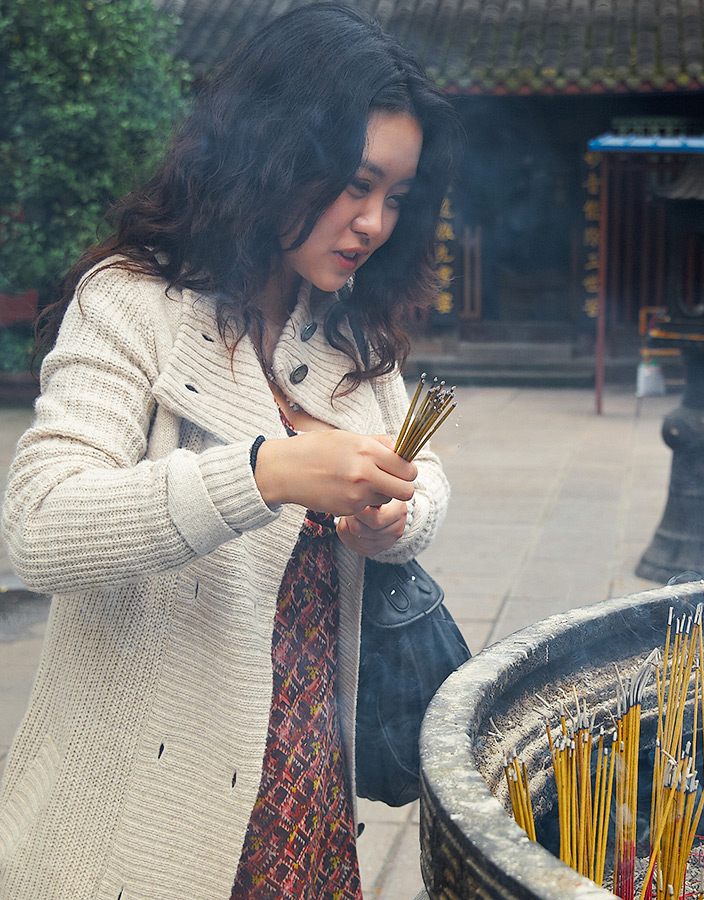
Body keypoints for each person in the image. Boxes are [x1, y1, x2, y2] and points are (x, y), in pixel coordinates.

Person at [0, 5, 463, 898]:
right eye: (354, 184)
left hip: (305, 797)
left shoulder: (350, 335)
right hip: (143, 803)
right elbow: (41, 526)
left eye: (396, 198)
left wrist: (399, 517)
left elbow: (426, 474)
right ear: (276, 153)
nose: (372, 223)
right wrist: (265, 473)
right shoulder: (131, 306)